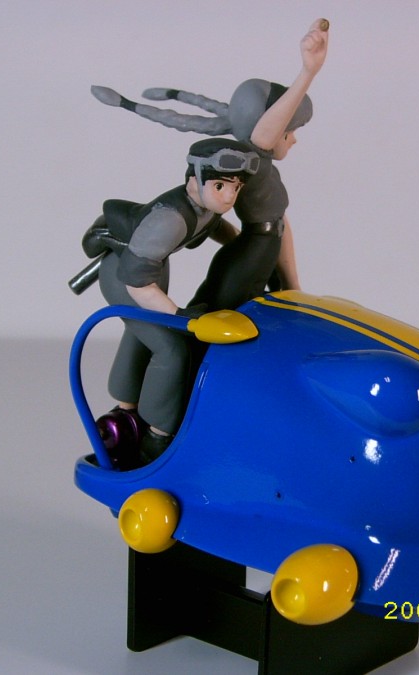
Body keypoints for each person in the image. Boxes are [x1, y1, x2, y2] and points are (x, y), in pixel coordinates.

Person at [89, 18, 329, 311]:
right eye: (289, 132)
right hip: (253, 251)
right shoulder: (253, 157)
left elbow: (279, 225)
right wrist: (308, 71)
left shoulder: (256, 164)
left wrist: (293, 286)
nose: (293, 140)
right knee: (222, 313)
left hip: (262, 248)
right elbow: (266, 131)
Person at [82, 138, 259, 468]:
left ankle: (126, 407)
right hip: (127, 277)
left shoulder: (206, 206)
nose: (229, 196)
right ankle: (158, 434)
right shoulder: (170, 220)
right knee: (171, 347)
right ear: (193, 180)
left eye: (236, 187)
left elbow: (220, 230)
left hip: (151, 270)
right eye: (220, 185)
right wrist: (180, 316)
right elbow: (136, 281)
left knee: (142, 333)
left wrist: (245, 247)